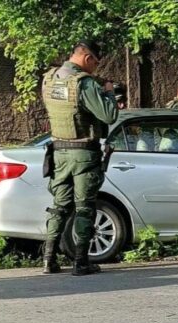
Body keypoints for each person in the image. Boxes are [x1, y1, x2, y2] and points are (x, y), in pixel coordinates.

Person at [41, 40, 118, 276]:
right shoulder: (83, 84)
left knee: (59, 207)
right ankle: (81, 262)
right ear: (87, 58)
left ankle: (48, 260)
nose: (95, 67)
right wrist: (109, 93)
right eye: (96, 62)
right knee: (85, 207)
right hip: (83, 154)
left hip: (58, 153)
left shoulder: (50, 79)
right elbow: (109, 116)